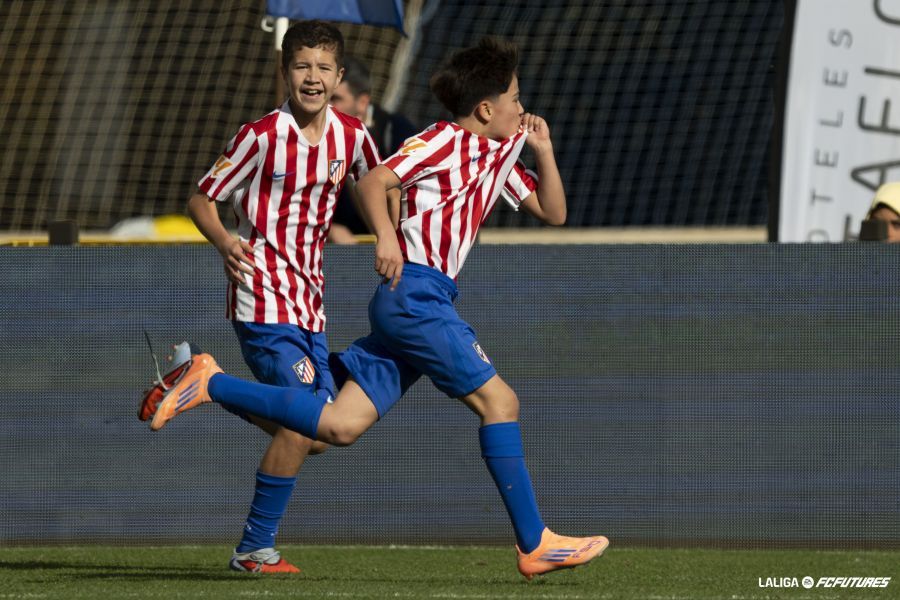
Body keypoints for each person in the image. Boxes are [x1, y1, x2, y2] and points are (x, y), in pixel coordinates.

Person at [146, 37, 608, 580]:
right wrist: (387, 236)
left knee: (336, 427)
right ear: (486, 109)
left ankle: (208, 384)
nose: (522, 106)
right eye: (515, 96)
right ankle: (536, 543)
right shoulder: (441, 140)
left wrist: (544, 150)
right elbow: (374, 180)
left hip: (418, 300)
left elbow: (553, 212)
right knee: (500, 401)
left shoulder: (501, 152)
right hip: (415, 296)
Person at [140, 20, 383, 573]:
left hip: (311, 306)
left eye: (324, 67)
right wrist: (226, 240)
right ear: (284, 72)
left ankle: (203, 382)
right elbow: (202, 198)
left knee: (317, 433)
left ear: (339, 75)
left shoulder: (351, 134)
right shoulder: (262, 135)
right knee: (309, 422)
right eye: (302, 66)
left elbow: (377, 181)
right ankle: (253, 548)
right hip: (264, 300)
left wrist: (390, 234)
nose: (313, 78)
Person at [327, 56, 419, 242]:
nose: (327, 107)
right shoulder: (311, 135)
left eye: (336, 99)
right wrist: (329, 229)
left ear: (362, 102)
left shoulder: (398, 132)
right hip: (335, 250)